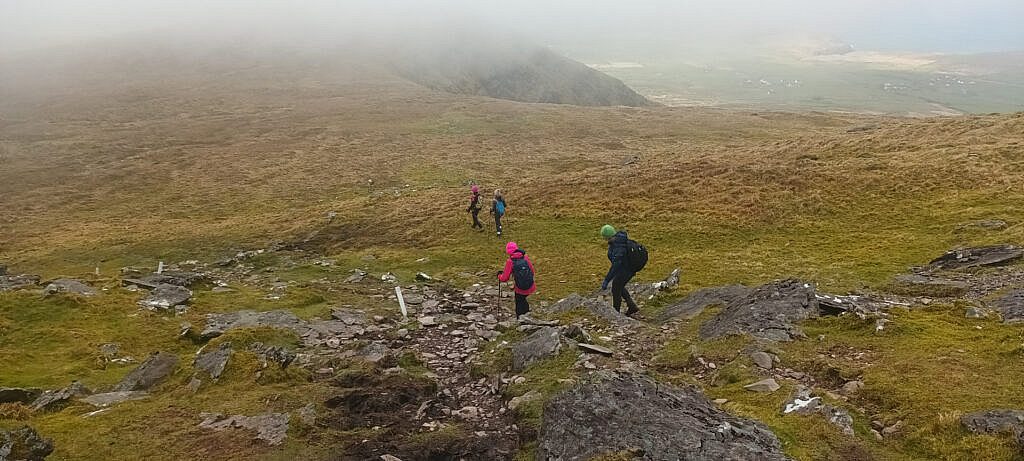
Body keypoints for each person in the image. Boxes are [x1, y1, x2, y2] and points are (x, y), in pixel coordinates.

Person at [600, 224, 639, 316]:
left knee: (616, 288)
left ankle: (616, 313)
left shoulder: (619, 248)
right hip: (627, 268)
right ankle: (632, 306)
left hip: (626, 270)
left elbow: (615, 265)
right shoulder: (618, 241)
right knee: (619, 285)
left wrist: (607, 280)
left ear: (607, 237)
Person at [497, 241, 536, 319]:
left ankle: (521, 319)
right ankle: (527, 315)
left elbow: (504, 278)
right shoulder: (525, 257)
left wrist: (499, 276)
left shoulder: (510, 262)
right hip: (530, 285)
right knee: (523, 299)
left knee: (519, 302)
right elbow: (532, 271)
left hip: (520, 288)